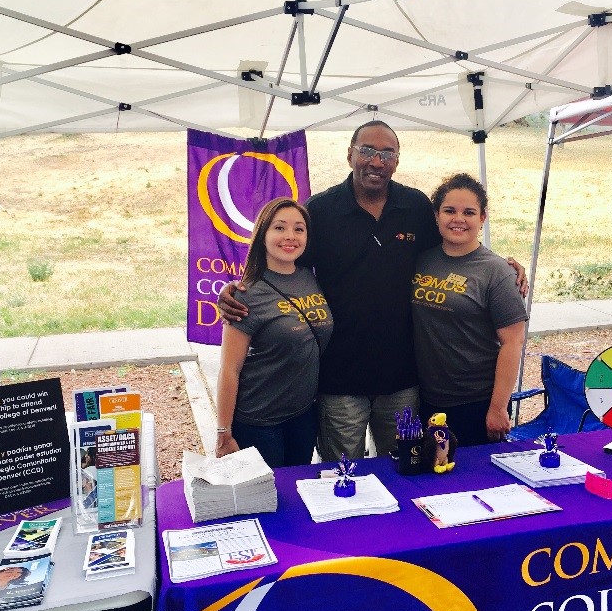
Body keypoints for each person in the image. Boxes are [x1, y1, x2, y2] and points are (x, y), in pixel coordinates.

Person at [218, 120, 526, 461]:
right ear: (349, 155)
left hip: (404, 383)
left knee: (405, 466)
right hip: (339, 381)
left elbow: (456, 247)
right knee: (343, 474)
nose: (376, 161)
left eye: (387, 153)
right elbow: (287, 263)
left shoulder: (416, 207)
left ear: (397, 160)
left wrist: (506, 267)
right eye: (367, 151)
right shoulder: (320, 211)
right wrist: (240, 287)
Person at [411, 173, 528, 445]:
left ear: (482, 218)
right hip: (426, 399)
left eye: (469, 212)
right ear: (436, 215)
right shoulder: (420, 259)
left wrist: (498, 407)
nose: (458, 219)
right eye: (449, 210)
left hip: (477, 402)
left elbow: (513, 342)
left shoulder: (496, 271)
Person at [215, 197, 333, 467]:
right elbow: (229, 369)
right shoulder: (246, 294)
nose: (290, 236)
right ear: (263, 235)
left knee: (296, 489)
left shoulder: (310, 277)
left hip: (303, 415)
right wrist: (223, 431)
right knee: (270, 500)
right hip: (259, 420)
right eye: (279, 228)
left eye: (299, 229)